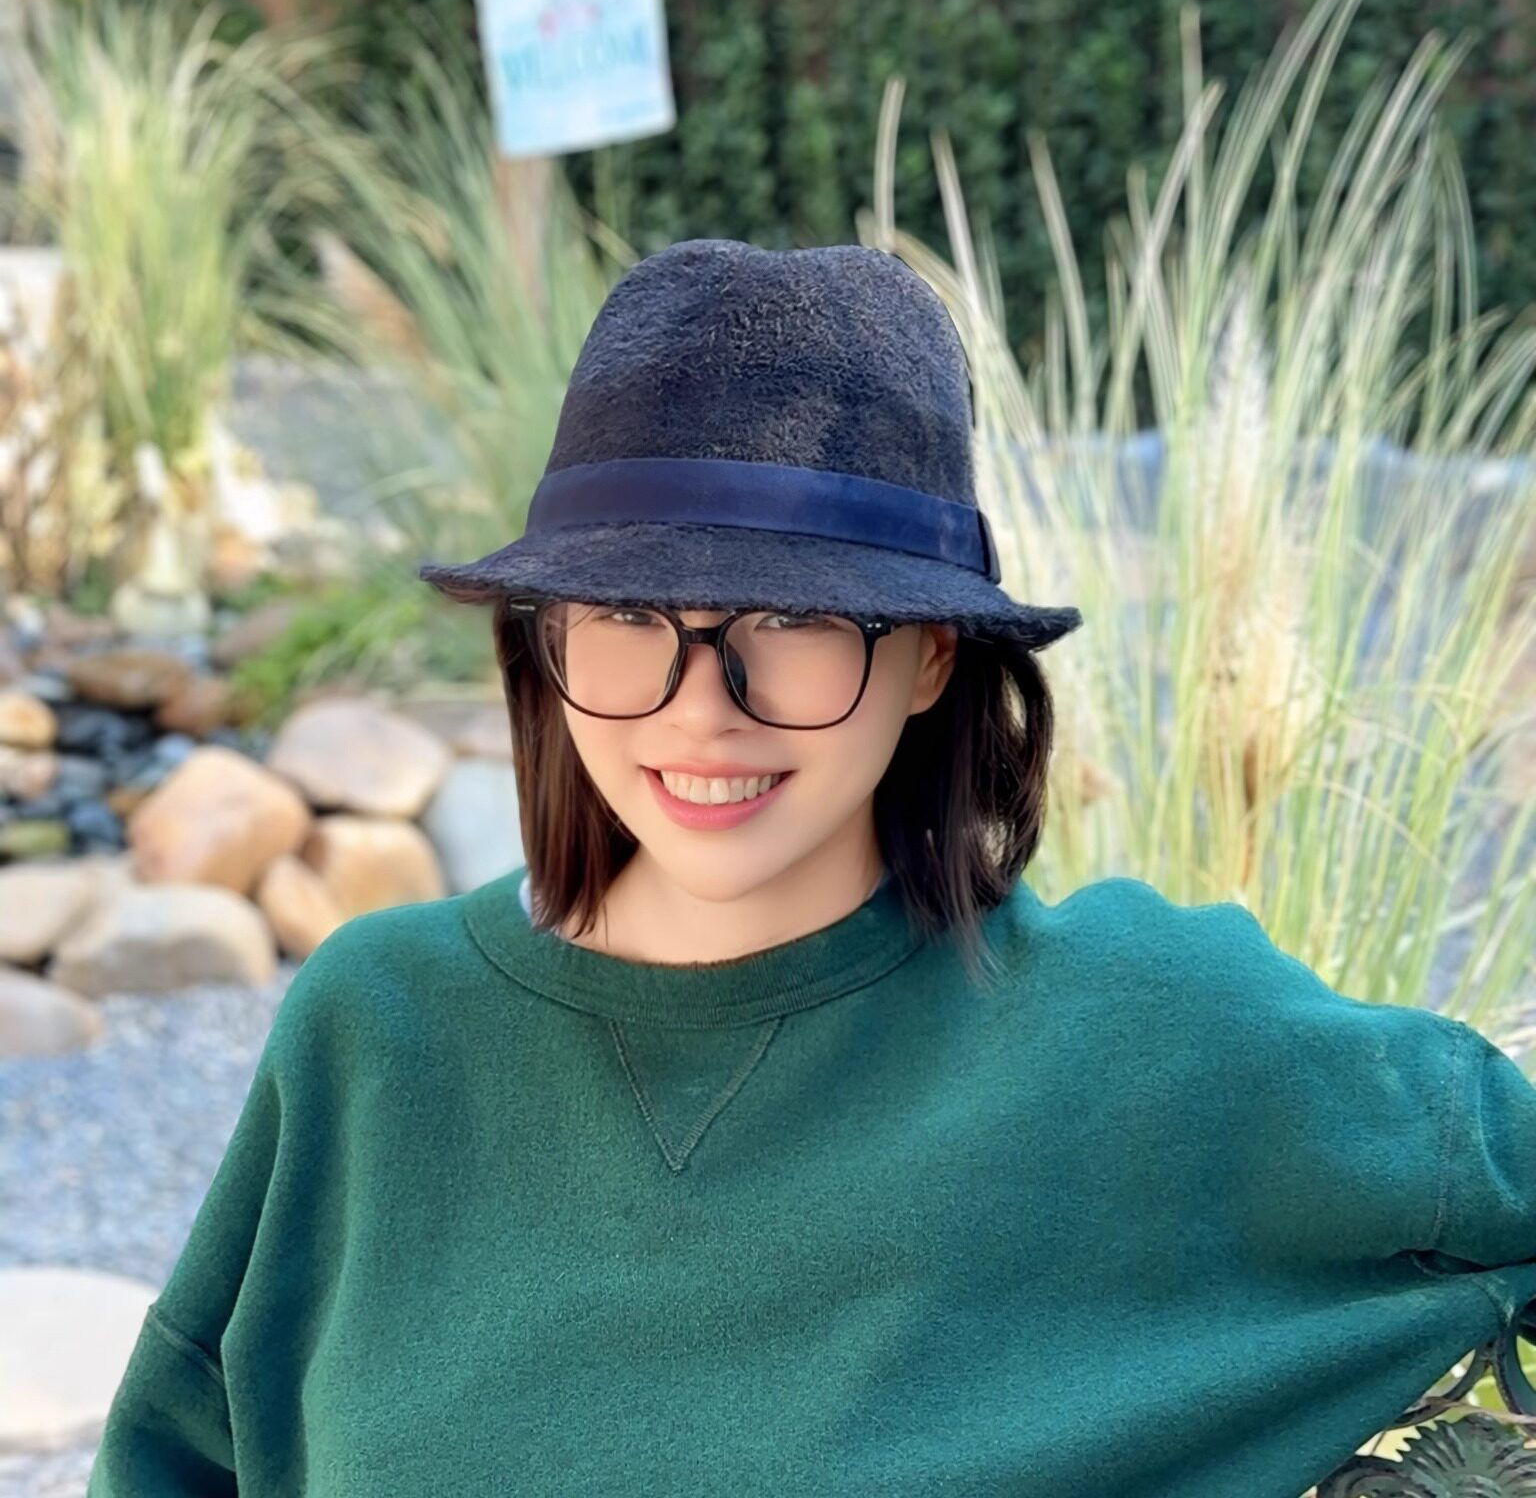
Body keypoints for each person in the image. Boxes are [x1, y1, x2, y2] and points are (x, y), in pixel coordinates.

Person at [86, 239, 1536, 1497]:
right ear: (543, 641)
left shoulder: (1145, 1020)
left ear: (931, 657)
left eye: (792, 622)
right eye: (629, 615)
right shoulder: (378, 1028)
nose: (700, 709)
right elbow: (176, 1457)